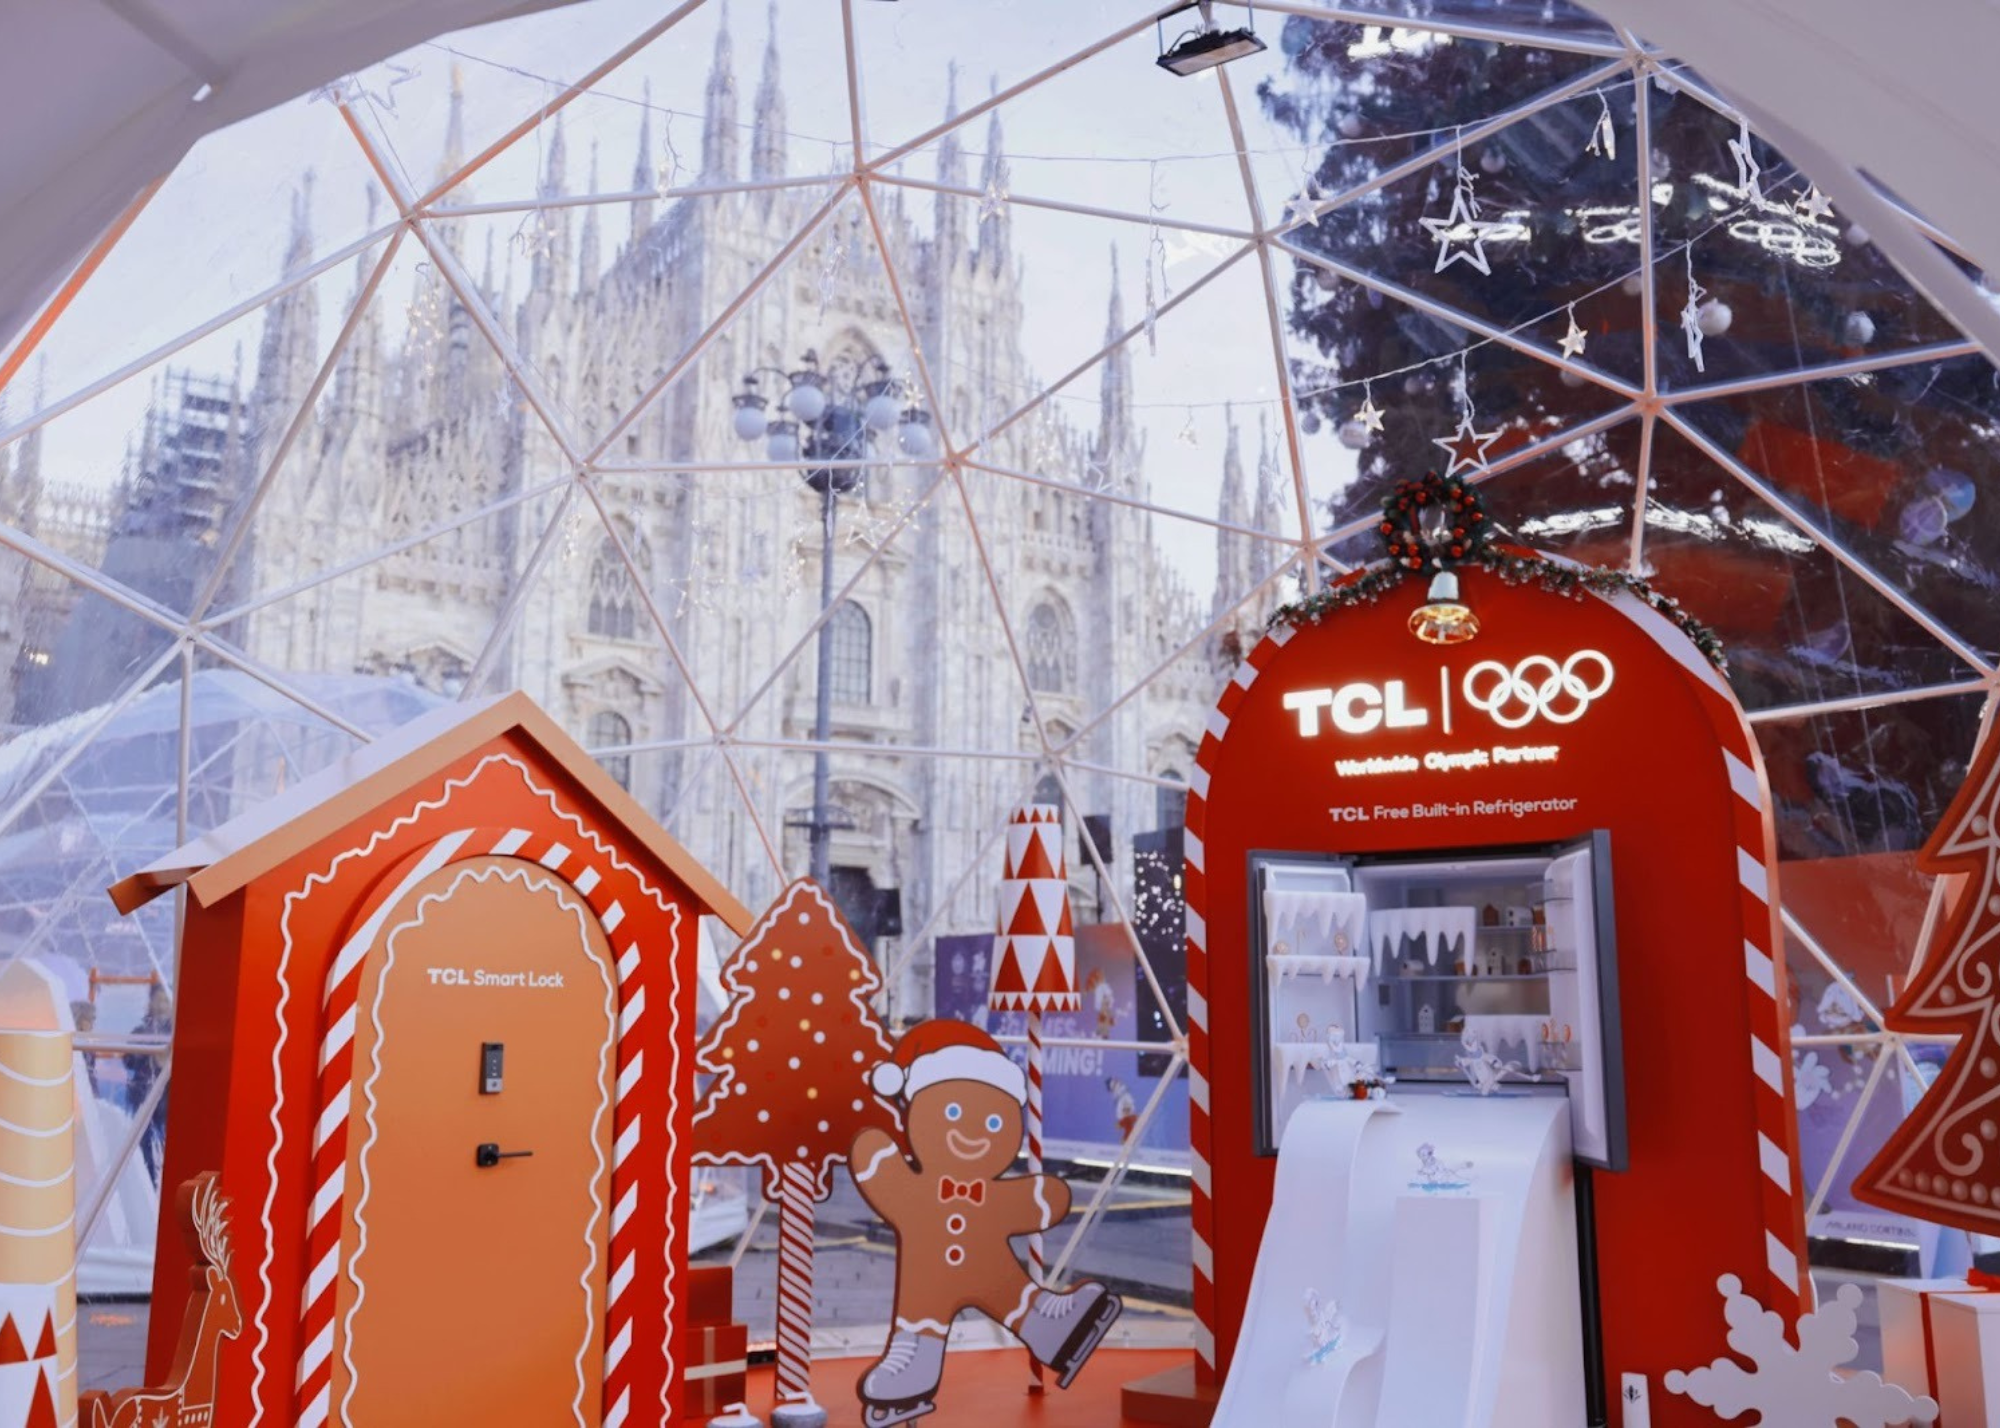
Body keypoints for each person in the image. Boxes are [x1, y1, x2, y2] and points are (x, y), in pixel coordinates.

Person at [123, 984, 172, 1184]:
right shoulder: (140, 1031)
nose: (161, 1005)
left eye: (165, 1000)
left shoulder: (178, 1030)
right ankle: (148, 1184)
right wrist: (147, 1054)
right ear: (150, 1002)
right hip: (144, 1096)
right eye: (158, 1000)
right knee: (144, 1147)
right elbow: (128, 1060)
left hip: (169, 1097)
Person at [68, 1001, 98, 1098]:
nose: (93, 1024)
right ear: (80, 1020)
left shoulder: (87, 1045)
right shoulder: (72, 1046)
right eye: (91, 1019)